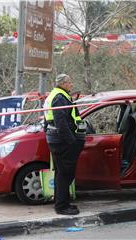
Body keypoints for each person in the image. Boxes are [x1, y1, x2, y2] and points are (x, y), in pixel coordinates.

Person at [44, 74, 86, 215]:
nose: (71, 85)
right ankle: (62, 206)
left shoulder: (55, 95)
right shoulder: (59, 98)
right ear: (63, 83)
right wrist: (72, 141)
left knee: (61, 173)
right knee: (65, 174)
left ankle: (62, 202)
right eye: (69, 82)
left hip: (56, 139)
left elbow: (48, 120)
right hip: (62, 141)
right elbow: (61, 123)